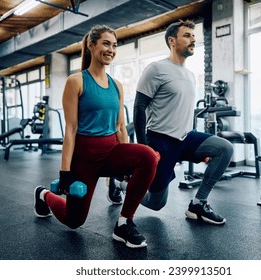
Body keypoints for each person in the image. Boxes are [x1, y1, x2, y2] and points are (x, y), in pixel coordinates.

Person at [33, 25, 159, 248]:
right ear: (91, 45)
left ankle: (124, 223)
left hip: (111, 152)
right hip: (85, 160)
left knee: (148, 155)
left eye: (114, 45)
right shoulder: (76, 82)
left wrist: (127, 167)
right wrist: (64, 174)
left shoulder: (117, 86)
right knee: (74, 221)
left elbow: (121, 127)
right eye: (106, 43)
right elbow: (70, 130)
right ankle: (43, 195)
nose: (111, 49)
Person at [133, 20, 234, 225]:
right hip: (161, 140)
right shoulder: (156, 69)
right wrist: (144, 148)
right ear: (172, 41)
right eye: (187, 36)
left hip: (186, 138)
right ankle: (122, 184)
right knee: (156, 203)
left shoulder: (189, 75)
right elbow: (139, 107)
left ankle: (198, 203)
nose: (193, 40)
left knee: (224, 148)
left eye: (194, 37)